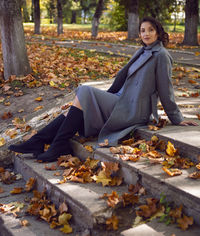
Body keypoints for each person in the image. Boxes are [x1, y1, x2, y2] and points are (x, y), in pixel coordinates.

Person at [9, 16, 198, 162]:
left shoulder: (161, 55)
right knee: (75, 108)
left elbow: (166, 90)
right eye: (142, 31)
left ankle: (52, 144)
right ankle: (40, 142)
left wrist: (177, 118)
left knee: (84, 91)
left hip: (133, 110)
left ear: (158, 32)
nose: (146, 34)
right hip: (119, 99)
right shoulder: (141, 51)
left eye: (150, 30)